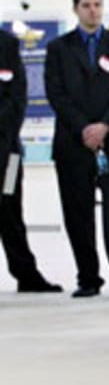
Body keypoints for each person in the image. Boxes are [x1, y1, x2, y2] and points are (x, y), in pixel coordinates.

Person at [44, 0, 109, 298]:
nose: (93, 11)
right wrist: (85, 128)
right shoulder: (58, 48)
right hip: (73, 144)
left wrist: (105, 126)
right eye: (86, 5)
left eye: (98, 4)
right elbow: (55, 93)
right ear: (76, 9)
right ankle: (88, 277)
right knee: (78, 214)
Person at [0, 26, 62, 293]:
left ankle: (26, 273)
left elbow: (17, 96)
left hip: (8, 151)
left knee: (11, 212)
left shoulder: (7, 45)